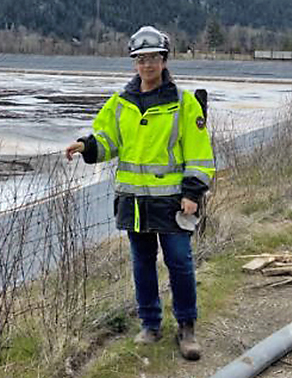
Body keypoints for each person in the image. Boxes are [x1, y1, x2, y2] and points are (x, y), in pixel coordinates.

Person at [65, 25, 215, 361]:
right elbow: (108, 141)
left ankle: (186, 327)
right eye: (140, 59)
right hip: (134, 203)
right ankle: (150, 324)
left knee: (179, 262)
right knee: (142, 264)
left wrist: (193, 193)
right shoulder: (121, 103)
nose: (146, 65)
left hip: (174, 203)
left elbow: (200, 155)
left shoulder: (183, 104)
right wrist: (87, 146)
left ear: (164, 61)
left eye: (153, 58)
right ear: (134, 63)